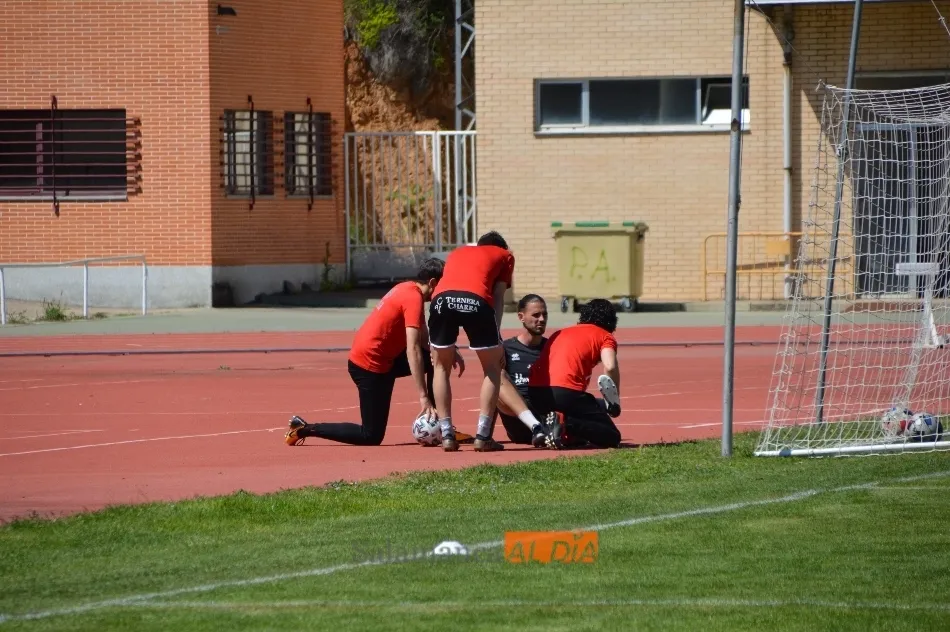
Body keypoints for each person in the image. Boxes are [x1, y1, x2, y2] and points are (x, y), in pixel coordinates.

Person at [284, 258, 464, 447]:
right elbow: (413, 349)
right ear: (433, 283)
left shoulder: (408, 288)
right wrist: (423, 397)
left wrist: (448, 350)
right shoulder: (413, 298)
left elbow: (424, 337)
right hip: (368, 367)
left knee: (437, 359)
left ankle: (441, 424)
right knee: (370, 436)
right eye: (445, 286)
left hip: (386, 359)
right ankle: (304, 428)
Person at [428, 230, 515, 452]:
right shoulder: (505, 255)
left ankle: (447, 435)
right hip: (476, 300)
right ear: (501, 247)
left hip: (441, 301)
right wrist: (496, 336)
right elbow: (498, 297)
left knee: (440, 368)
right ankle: (483, 436)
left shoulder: (458, 252)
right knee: (492, 369)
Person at [494, 294, 599, 450]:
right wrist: (485, 434)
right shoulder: (506, 348)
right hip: (519, 418)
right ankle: (536, 427)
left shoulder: (553, 347)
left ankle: (558, 431)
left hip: (547, 414)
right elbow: (492, 392)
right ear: (521, 317)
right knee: (495, 376)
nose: (542, 319)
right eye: (536, 315)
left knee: (595, 405)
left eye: (544, 314)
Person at [527, 298, 623, 449]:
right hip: (565, 392)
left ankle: (555, 429)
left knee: (590, 408)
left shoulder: (560, 332)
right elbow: (610, 366)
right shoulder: (605, 336)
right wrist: (614, 400)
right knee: (612, 436)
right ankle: (565, 424)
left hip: (535, 393)